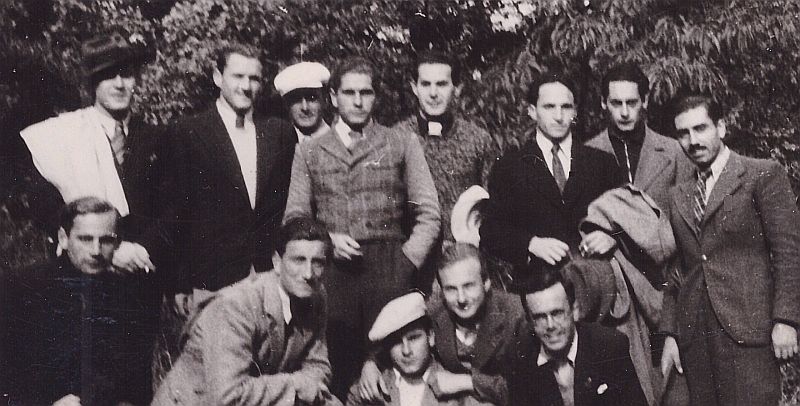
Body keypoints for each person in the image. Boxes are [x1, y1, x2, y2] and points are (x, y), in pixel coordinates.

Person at [284, 56, 441, 398]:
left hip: (389, 269)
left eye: (365, 93)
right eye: (349, 93)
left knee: (388, 370)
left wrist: (406, 262)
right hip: (332, 274)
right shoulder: (309, 151)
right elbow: (295, 217)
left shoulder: (400, 142)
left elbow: (429, 212)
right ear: (333, 97)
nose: (358, 101)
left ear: (375, 97)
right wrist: (327, 241)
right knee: (337, 367)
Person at [152, 43, 297, 384]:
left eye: (254, 78)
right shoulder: (188, 131)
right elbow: (176, 210)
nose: (246, 86)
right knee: (213, 376)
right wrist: (179, 282)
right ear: (218, 77)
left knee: (264, 372)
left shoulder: (279, 132)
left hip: (265, 277)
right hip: (211, 278)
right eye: (237, 76)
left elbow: (285, 205)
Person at [659, 92, 800, 406]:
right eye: (683, 133)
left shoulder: (761, 174)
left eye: (701, 128)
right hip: (696, 337)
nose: (693, 140)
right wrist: (670, 332)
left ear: (721, 127)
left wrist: (786, 320)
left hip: (749, 333)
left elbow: (790, 252)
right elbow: (677, 269)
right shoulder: (678, 194)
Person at [151, 217, 340, 406]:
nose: (308, 273)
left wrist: (306, 387)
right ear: (276, 262)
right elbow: (228, 396)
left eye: (318, 263)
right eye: (298, 260)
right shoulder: (236, 306)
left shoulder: (315, 296)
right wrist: (297, 385)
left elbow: (318, 365)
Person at [19, 31, 166, 273]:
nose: (119, 84)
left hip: (142, 267)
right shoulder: (61, 135)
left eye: (126, 75)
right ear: (93, 82)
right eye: (108, 75)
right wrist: (109, 250)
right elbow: (45, 205)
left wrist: (140, 249)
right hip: (81, 270)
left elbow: (173, 209)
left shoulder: (159, 138)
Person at [2, 197, 154, 405]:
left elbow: (138, 385)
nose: (95, 251)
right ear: (63, 238)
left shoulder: (129, 296)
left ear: (118, 242)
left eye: (106, 240)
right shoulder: (22, 287)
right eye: (85, 239)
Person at [480, 70, 622, 274]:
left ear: (575, 111)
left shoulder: (602, 163)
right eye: (549, 107)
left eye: (566, 107)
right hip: (536, 284)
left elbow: (627, 219)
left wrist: (612, 237)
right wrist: (531, 244)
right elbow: (491, 231)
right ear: (532, 111)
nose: (558, 116)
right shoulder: (509, 166)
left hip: (595, 280)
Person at [357, 243, 527, 405]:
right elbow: (397, 334)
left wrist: (468, 382)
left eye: (468, 286)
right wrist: (371, 364)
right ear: (441, 290)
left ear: (486, 282)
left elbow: (526, 389)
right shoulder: (435, 311)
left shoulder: (516, 315)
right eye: (451, 289)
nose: (461, 298)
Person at [393, 51, 499, 241]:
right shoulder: (395, 138)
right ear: (414, 88)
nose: (433, 93)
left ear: (457, 89)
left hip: (465, 251)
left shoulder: (478, 139)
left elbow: (494, 205)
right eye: (426, 84)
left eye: (441, 84)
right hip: (411, 251)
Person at [508, 265, 647, 406]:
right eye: (539, 317)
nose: (550, 325)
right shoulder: (520, 360)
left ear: (574, 310)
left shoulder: (609, 347)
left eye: (557, 313)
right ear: (529, 321)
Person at [585, 61, 691, 214]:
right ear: (603, 103)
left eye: (631, 103)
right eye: (616, 103)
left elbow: (685, 217)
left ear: (645, 101)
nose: (625, 112)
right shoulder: (587, 153)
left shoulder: (674, 152)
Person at [347, 291, 469, 406]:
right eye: (396, 342)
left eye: (413, 338)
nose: (406, 351)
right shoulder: (374, 385)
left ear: (430, 337)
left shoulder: (455, 386)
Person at [274, 61, 332, 142]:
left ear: (325, 100)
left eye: (312, 98)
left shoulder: (341, 140)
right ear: (287, 105)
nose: (305, 108)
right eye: (296, 99)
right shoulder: (280, 143)